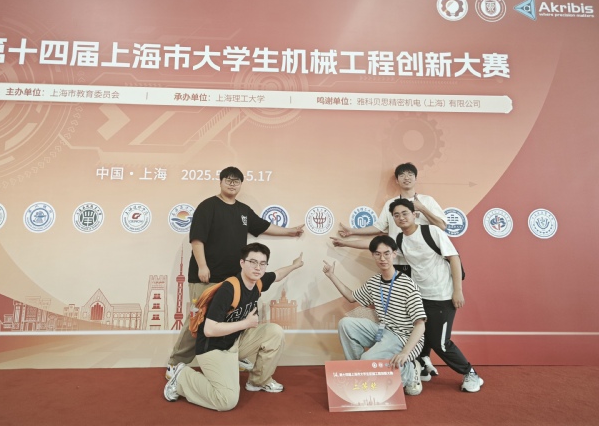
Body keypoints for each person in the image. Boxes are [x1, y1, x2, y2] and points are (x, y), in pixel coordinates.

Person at [167, 166, 304, 378]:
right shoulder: (208, 206)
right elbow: (197, 239)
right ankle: (176, 363)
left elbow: (264, 226)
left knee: (233, 320)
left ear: (240, 185)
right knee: (198, 321)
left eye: (236, 181)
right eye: (228, 180)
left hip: (233, 280)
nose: (232, 184)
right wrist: (202, 266)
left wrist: (290, 231)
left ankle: (233, 355)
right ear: (220, 182)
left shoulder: (243, 211)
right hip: (206, 277)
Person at [330, 162, 446, 379]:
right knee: (391, 314)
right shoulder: (391, 205)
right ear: (397, 179)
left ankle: (417, 359)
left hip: (421, 268)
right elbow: (378, 230)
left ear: (416, 178)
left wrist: (421, 208)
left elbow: (442, 226)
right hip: (399, 263)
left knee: (419, 316)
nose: (406, 177)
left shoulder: (427, 201)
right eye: (402, 175)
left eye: (410, 174)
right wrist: (351, 234)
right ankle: (364, 370)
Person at [163, 243, 304, 411]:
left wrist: (295, 265)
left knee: (275, 332)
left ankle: (257, 382)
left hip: (234, 342)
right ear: (242, 263)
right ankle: (181, 376)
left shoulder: (258, 282)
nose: (258, 267)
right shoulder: (228, 289)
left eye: (262, 263)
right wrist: (246, 323)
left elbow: (278, 275)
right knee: (227, 401)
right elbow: (209, 329)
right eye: (253, 262)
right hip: (213, 348)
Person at [389, 198, 483, 393]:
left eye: (405, 213)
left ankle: (471, 373)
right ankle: (423, 366)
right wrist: (346, 242)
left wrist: (457, 291)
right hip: (419, 296)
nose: (401, 217)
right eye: (396, 215)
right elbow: (379, 248)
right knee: (420, 335)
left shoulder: (432, 231)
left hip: (442, 296)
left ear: (414, 214)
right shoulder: (400, 239)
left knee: (441, 343)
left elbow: (454, 258)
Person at [322, 235, 426, 396]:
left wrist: (405, 352)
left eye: (386, 253)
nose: (382, 258)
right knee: (345, 324)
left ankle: (410, 371)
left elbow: (420, 325)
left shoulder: (407, 285)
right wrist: (331, 276)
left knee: (367, 360)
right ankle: (358, 372)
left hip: (403, 337)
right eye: (377, 254)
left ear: (394, 254)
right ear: (373, 255)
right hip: (383, 330)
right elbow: (351, 297)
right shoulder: (374, 282)